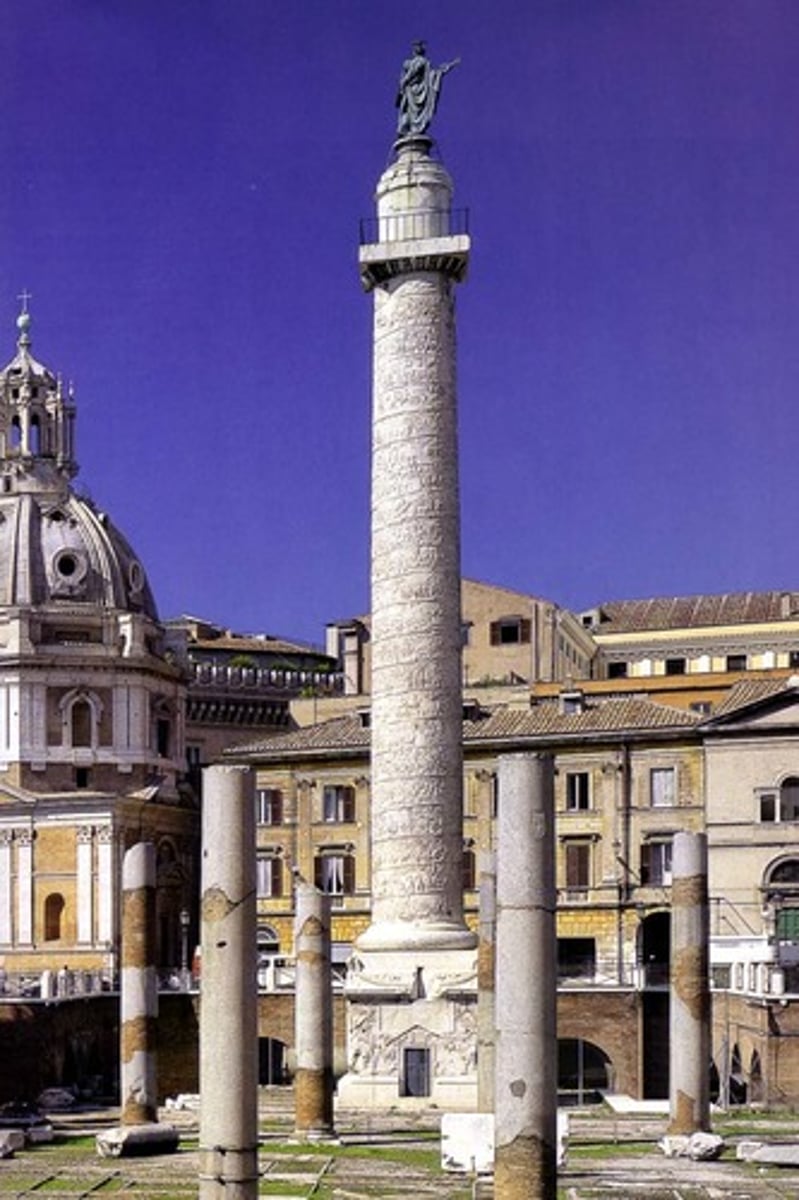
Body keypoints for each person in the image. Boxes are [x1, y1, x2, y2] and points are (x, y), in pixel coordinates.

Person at [395, 41, 459, 137]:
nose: (417, 49)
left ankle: (411, 129)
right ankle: (406, 128)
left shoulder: (423, 62)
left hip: (418, 91)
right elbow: (410, 75)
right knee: (406, 112)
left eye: (419, 47)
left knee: (412, 112)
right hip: (409, 92)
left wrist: (441, 71)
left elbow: (429, 74)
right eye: (416, 47)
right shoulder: (410, 63)